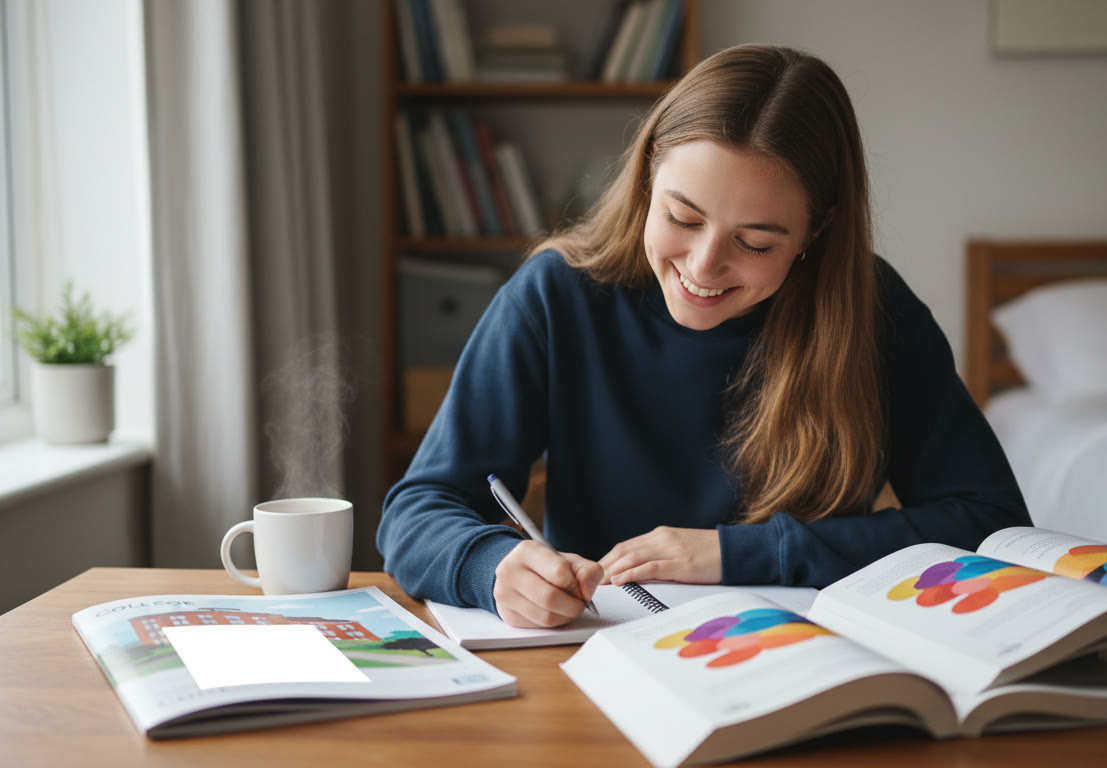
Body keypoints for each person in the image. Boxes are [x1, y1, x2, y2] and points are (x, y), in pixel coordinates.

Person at [377, 44, 1029, 629]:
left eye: (755, 242)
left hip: (814, 663)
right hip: (598, 660)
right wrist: (491, 564)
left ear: (817, 233)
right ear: (648, 174)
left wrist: (737, 553)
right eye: (681, 217)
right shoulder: (559, 295)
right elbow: (417, 511)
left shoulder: (873, 310)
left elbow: (990, 520)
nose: (703, 266)